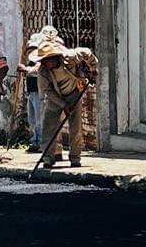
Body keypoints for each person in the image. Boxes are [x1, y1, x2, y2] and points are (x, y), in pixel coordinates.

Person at [34, 41, 98, 169]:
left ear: (54, 57)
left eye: (47, 60)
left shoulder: (70, 57)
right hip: (55, 98)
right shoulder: (43, 71)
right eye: (43, 61)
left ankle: (75, 158)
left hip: (74, 93)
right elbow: (47, 91)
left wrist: (93, 69)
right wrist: (63, 105)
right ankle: (48, 158)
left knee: (75, 127)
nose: (46, 63)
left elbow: (87, 52)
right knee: (48, 126)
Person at [17, 33, 44, 154]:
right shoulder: (31, 60)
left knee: (39, 119)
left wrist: (25, 69)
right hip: (32, 92)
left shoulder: (42, 59)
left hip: (40, 92)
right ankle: (35, 141)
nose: (32, 51)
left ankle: (41, 142)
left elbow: (37, 72)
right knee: (32, 119)